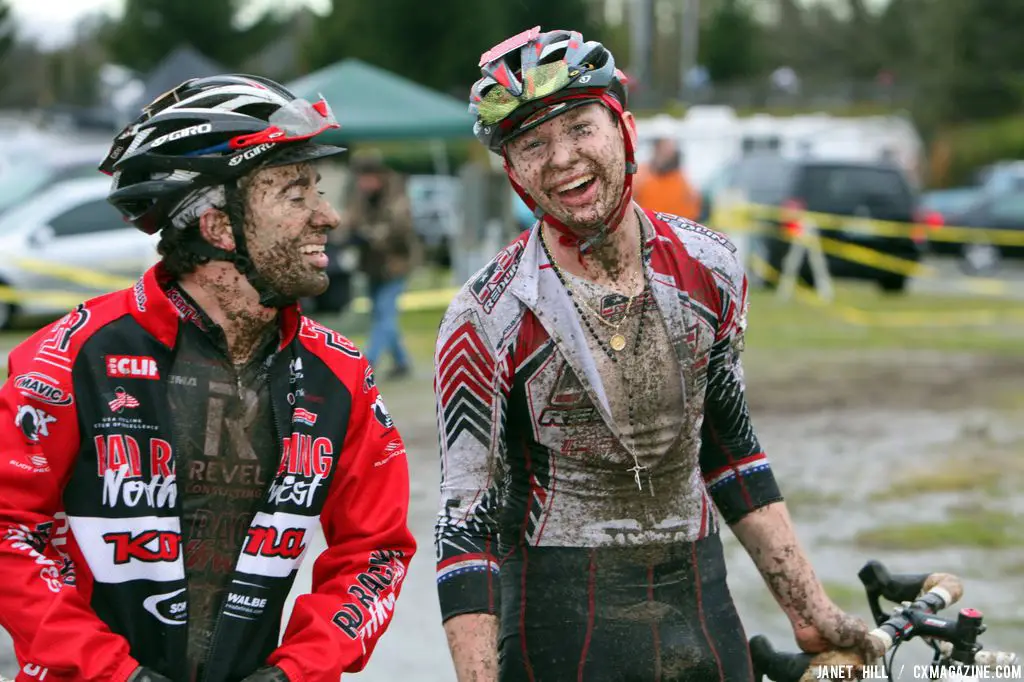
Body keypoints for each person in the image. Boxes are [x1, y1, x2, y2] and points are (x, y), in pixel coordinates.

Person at [433, 27, 872, 681]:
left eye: (580, 126)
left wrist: (809, 610)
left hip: (698, 603)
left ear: (623, 128)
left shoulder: (712, 266)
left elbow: (730, 452)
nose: (561, 157)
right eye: (532, 143)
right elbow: (465, 525)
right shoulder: (485, 316)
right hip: (560, 627)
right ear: (514, 171)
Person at [0, 75, 415, 682]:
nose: (327, 216)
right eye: (295, 194)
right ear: (220, 227)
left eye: (317, 190)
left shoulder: (338, 373)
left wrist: (297, 670)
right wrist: (113, 673)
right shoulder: (72, 356)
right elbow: (9, 530)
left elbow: (373, 551)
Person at [340, 150, 419, 380]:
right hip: (372, 266)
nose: (363, 183)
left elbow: (400, 229)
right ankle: (402, 362)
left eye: (367, 178)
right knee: (381, 315)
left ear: (378, 176)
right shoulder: (360, 195)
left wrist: (370, 234)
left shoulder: (396, 194)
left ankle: (368, 362)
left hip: (395, 265)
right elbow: (351, 219)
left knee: (385, 314)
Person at [633, 136, 702, 220]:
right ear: (656, 149)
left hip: (674, 227)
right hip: (648, 225)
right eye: (664, 148)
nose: (667, 153)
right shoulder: (641, 175)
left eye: (669, 149)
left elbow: (693, 208)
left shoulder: (681, 179)